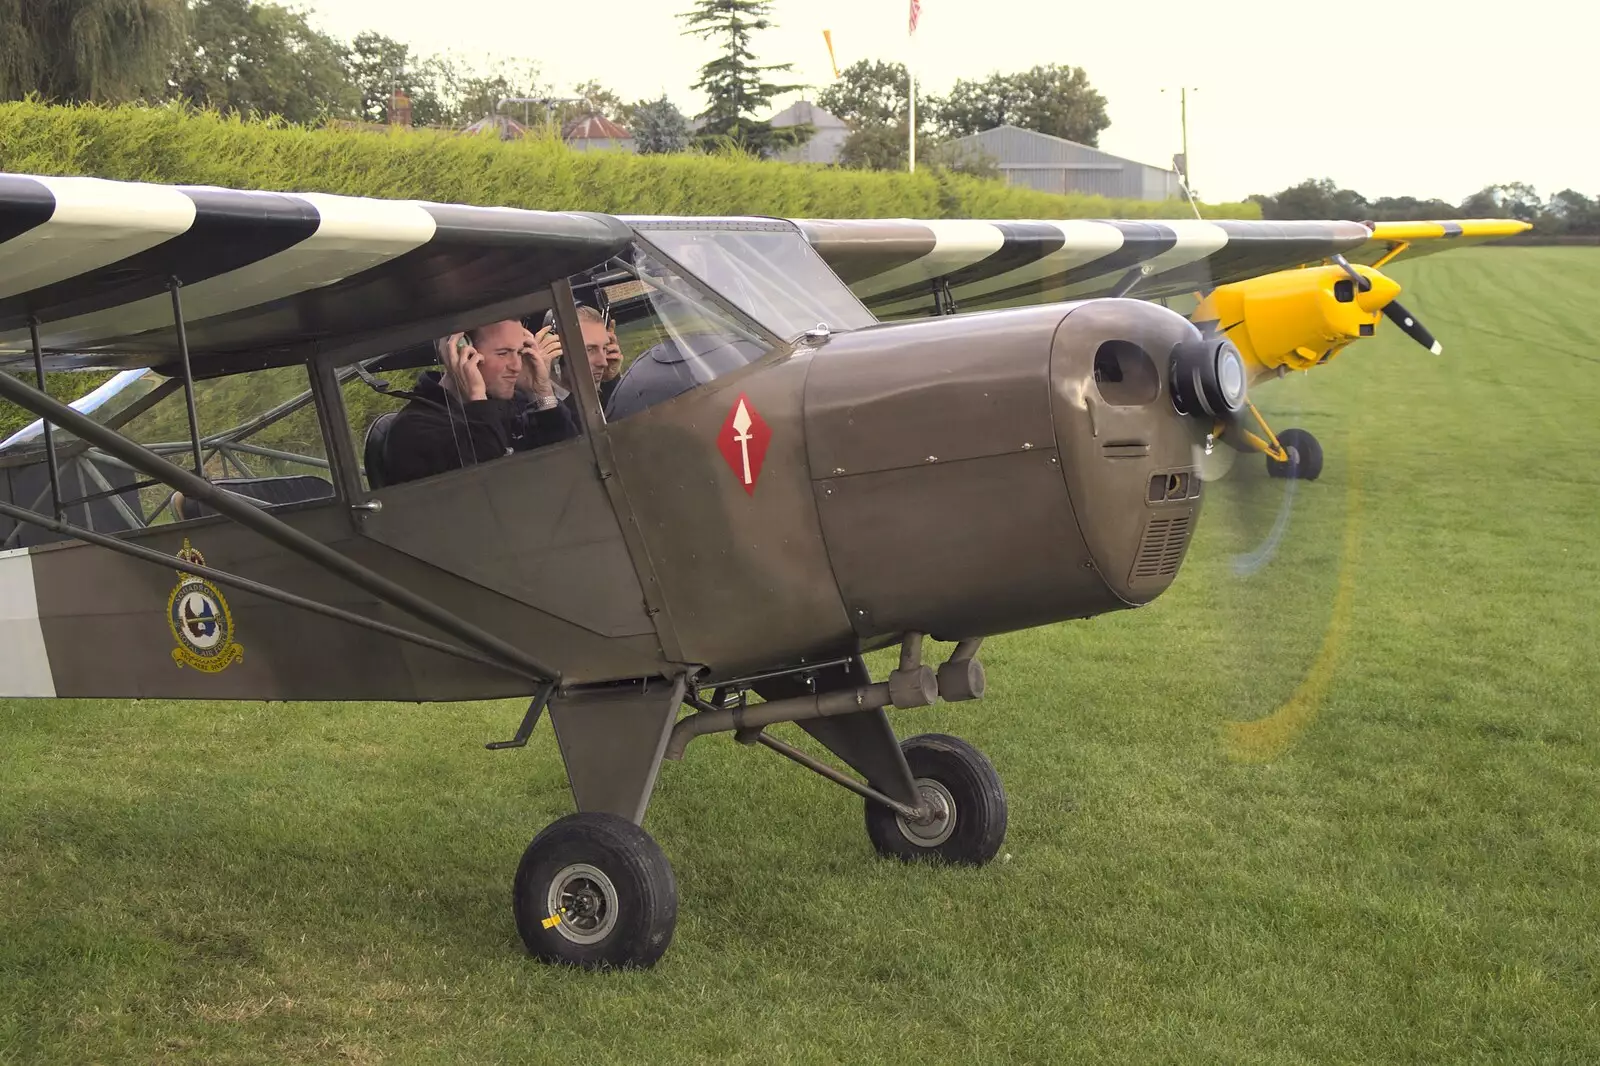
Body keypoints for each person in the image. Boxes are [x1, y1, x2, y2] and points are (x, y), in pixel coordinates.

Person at [382, 318, 578, 485]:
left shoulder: (512, 403)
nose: (517, 366)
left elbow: (569, 467)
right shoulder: (415, 428)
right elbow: (488, 486)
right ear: (462, 351)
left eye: (519, 352)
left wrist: (540, 393)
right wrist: (477, 398)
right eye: (503, 353)